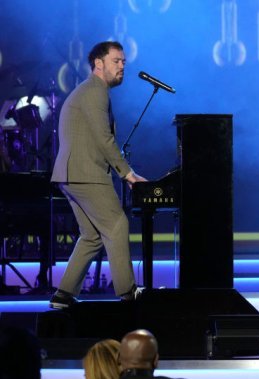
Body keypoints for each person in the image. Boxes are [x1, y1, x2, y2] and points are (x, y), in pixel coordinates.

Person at [49, 41, 146, 309]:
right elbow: (104, 139)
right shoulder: (95, 91)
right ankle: (128, 293)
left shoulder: (91, 91)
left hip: (72, 174)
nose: (123, 66)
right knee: (117, 224)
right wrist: (127, 174)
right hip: (86, 174)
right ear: (98, 63)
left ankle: (62, 295)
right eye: (117, 61)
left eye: (124, 62)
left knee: (92, 236)